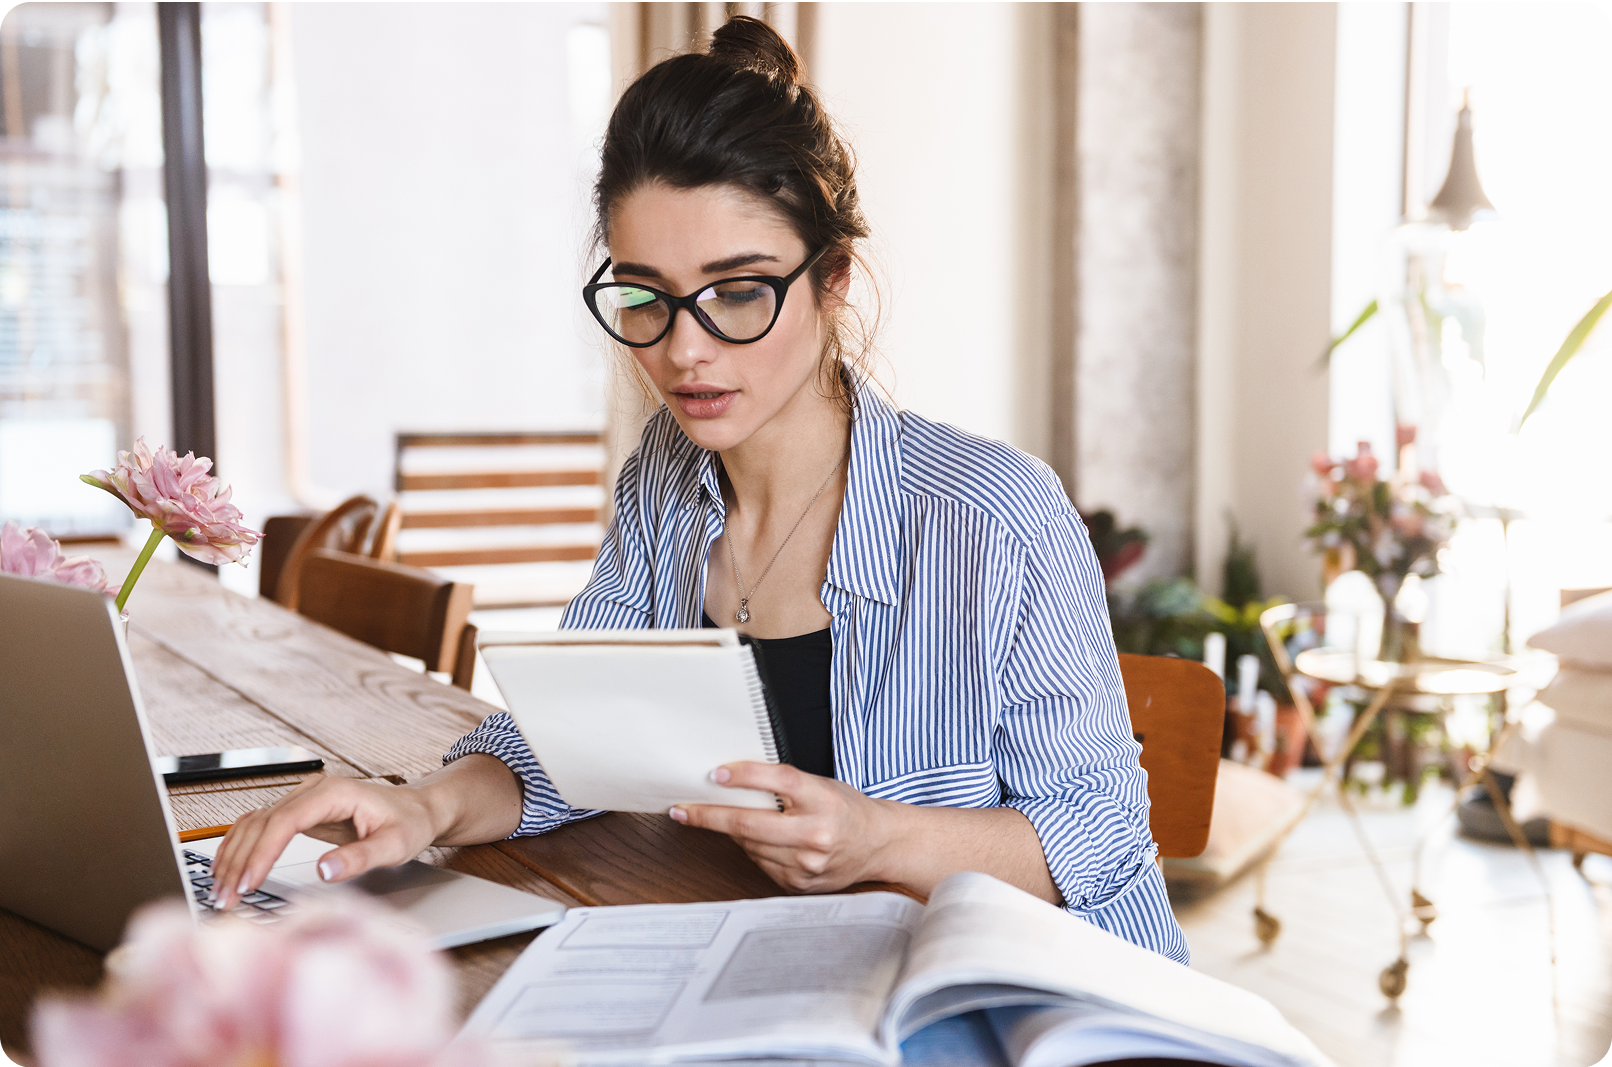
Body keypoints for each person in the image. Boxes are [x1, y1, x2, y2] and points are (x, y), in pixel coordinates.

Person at [211, 17, 1187, 963]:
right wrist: (423, 806)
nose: (683, 348)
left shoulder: (993, 514)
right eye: (645, 293)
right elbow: (573, 737)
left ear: (833, 277)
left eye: (736, 291)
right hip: (797, 983)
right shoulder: (669, 488)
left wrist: (878, 838)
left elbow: (1098, 833)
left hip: (1027, 1010)